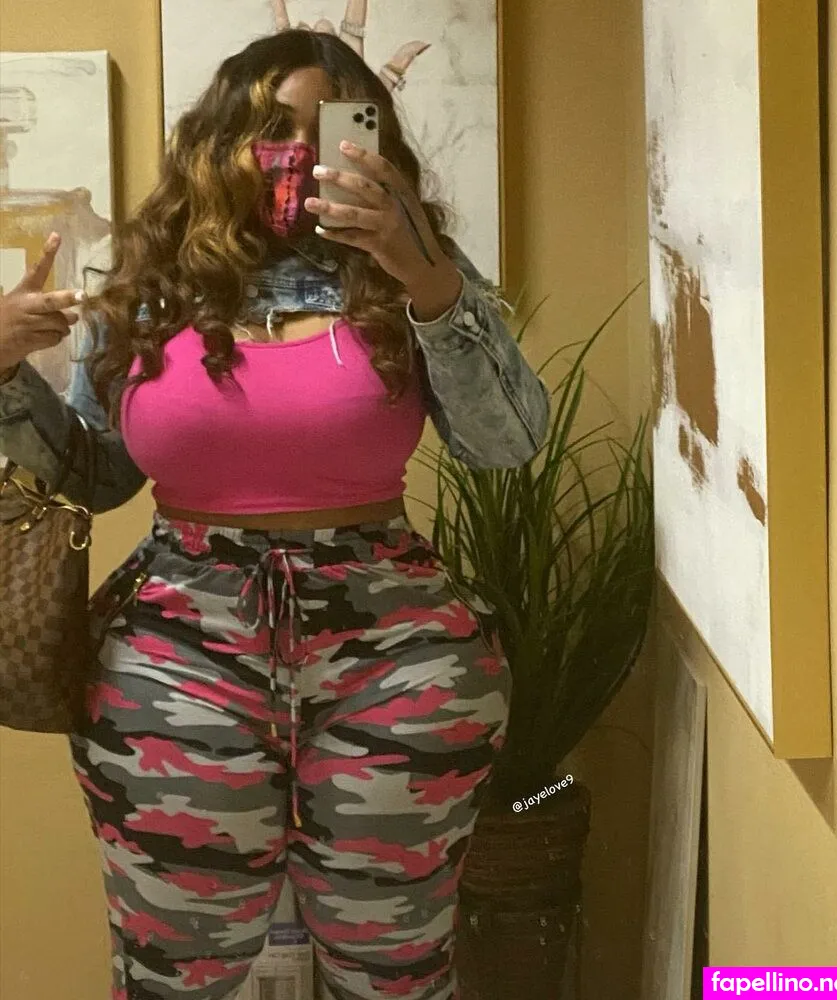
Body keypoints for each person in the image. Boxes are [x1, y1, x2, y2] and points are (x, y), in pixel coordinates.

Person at [0, 30, 549, 1000]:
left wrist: (427, 279)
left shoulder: (410, 271)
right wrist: (4, 373)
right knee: (175, 974)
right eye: (271, 128)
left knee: (395, 973)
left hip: (398, 661)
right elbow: (97, 476)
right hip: (175, 664)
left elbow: (505, 441)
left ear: (370, 141)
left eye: (326, 129)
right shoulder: (148, 285)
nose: (296, 153)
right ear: (219, 139)